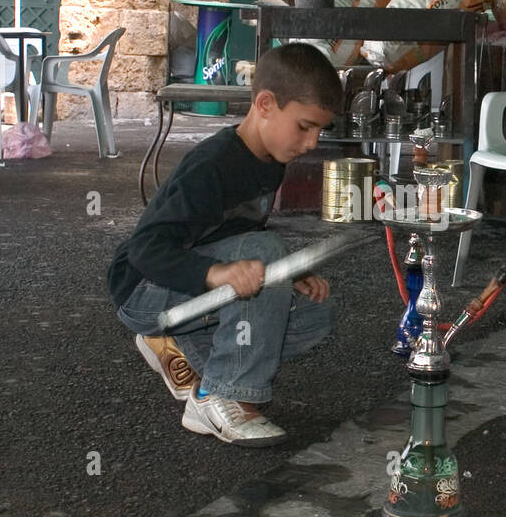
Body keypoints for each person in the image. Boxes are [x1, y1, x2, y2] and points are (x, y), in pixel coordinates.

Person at [108, 43, 345, 447]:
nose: (311, 142)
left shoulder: (270, 160)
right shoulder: (211, 167)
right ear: (265, 104)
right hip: (143, 289)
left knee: (312, 314)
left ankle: (178, 346)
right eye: (305, 126)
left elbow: (235, 234)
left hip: (185, 291)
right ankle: (222, 394)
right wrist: (216, 273)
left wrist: (287, 274)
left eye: (320, 130)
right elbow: (145, 250)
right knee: (265, 254)